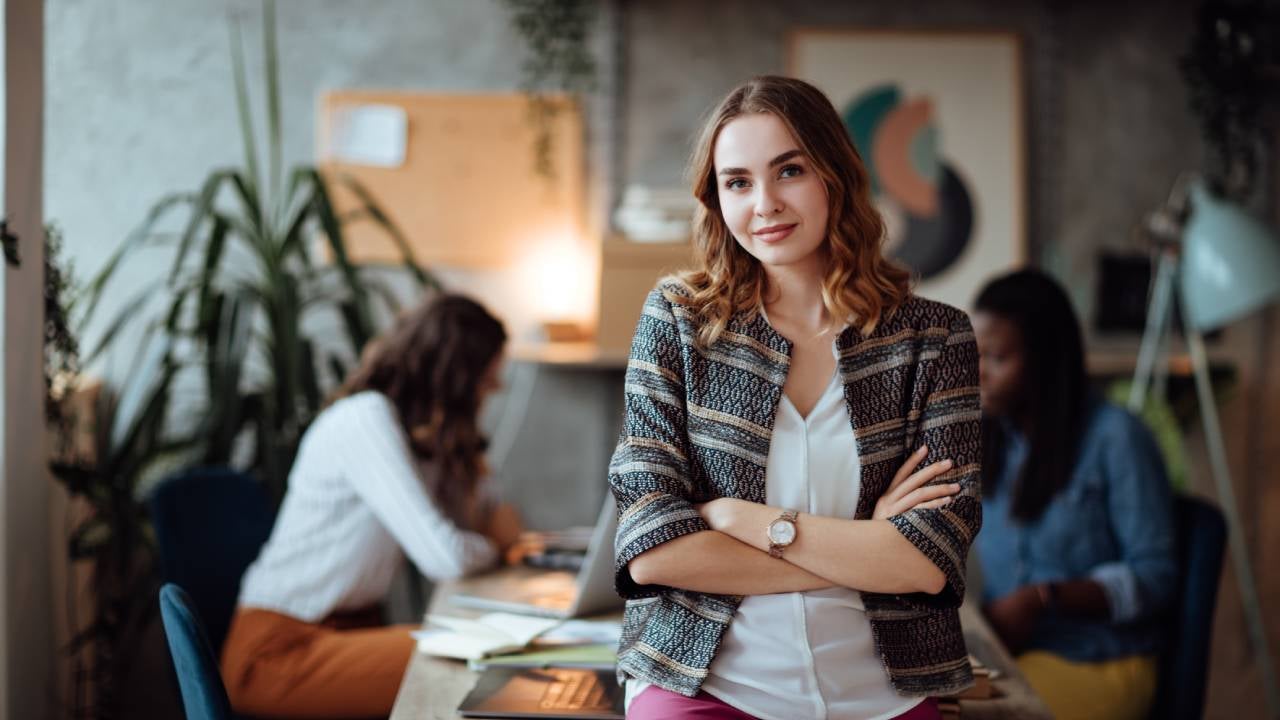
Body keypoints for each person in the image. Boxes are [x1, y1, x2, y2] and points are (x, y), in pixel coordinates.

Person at [609, 75, 983, 720]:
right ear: (717, 198)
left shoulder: (935, 338)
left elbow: (929, 559)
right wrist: (867, 546)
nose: (764, 204)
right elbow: (651, 550)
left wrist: (739, 521)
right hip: (709, 683)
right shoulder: (679, 321)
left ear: (835, 175)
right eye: (738, 182)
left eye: (789, 171)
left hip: (883, 693)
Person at [220, 294, 523, 718]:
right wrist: (492, 548)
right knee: (464, 659)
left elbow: (495, 517)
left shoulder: (419, 440)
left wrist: (467, 453)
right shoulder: (365, 419)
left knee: (474, 653)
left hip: (343, 636)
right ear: (454, 378)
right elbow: (448, 556)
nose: (491, 393)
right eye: (484, 383)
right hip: (278, 650)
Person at [972, 269, 1177, 720]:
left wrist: (1043, 598)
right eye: (975, 353)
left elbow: (1156, 576)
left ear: (1045, 360)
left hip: (1100, 659)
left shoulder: (1116, 438)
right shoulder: (994, 441)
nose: (978, 372)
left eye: (998, 357)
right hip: (1013, 656)